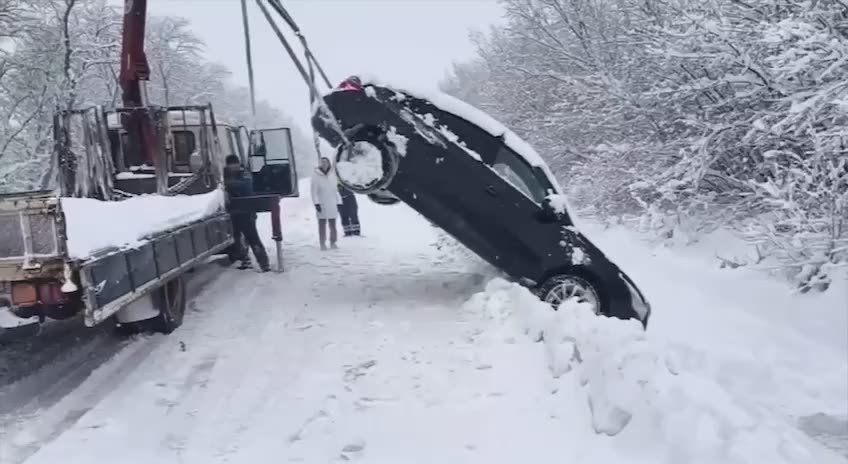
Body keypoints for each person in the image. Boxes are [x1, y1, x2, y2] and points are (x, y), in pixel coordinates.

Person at [224, 154, 270, 272]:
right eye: (230, 164)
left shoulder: (244, 173)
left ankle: (264, 264)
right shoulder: (225, 175)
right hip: (232, 213)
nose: (233, 166)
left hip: (246, 212)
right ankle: (244, 260)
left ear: (238, 164)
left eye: (235, 164)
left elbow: (247, 186)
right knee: (236, 239)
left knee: (253, 238)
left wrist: (228, 186)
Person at [311, 157, 342, 250]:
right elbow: (313, 192)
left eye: (326, 162)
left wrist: (339, 202)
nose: (324, 164)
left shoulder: (333, 175)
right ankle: (322, 243)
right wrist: (316, 203)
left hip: (332, 203)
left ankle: (333, 242)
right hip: (322, 203)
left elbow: (336, 190)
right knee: (322, 225)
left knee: (333, 225)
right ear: (320, 164)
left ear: (329, 164)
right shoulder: (316, 176)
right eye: (322, 162)